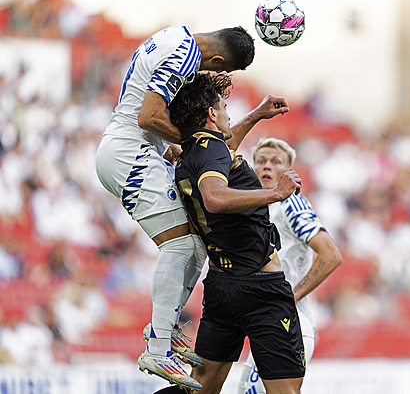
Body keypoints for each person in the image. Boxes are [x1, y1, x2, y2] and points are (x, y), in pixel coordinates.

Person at [94, 24, 282, 390]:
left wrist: (201, 140)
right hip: (129, 152)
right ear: (216, 59)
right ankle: (158, 347)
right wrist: (197, 141)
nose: (216, 76)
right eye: (222, 70)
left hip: (135, 150)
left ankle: (163, 327)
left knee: (195, 243)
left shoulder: (172, 35)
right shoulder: (185, 56)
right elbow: (148, 117)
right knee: (180, 244)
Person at [167, 71, 305, 394]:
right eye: (225, 108)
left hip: (221, 287)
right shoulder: (211, 154)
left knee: (201, 387)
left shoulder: (194, 151)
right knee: (286, 390)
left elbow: (222, 149)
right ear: (212, 114)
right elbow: (214, 197)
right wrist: (276, 193)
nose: (230, 114)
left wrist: (257, 115)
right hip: (260, 289)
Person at [238, 138, 342, 394]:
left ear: (289, 172)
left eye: (275, 162)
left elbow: (330, 255)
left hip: (289, 325)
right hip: (266, 326)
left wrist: (288, 297)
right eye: (260, 161)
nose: (266, 167)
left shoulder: (291, 203)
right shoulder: (254, 208)